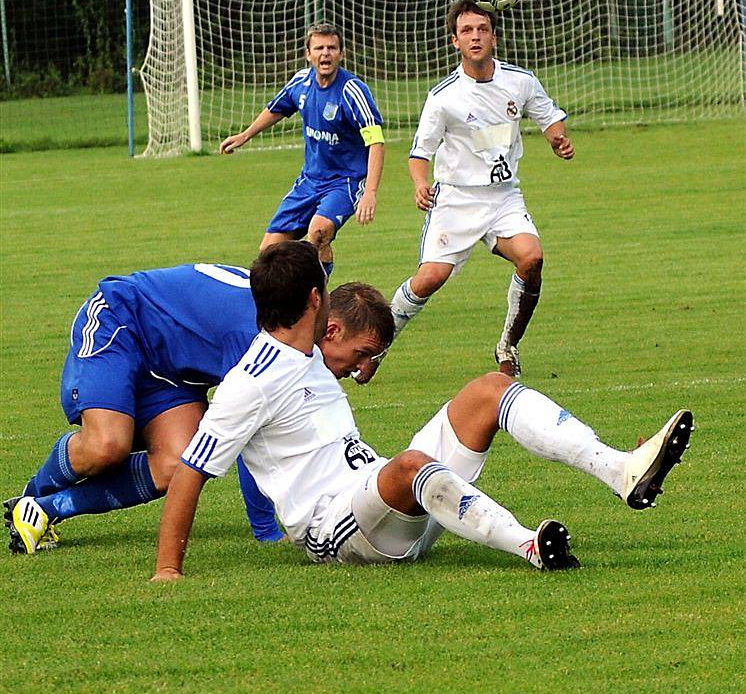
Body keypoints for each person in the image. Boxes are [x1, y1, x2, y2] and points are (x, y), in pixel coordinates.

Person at [150, 241, 693, 581]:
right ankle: (528, 544)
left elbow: (357, 332)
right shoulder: (250, 381)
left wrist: (366, 354)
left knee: (487, 389)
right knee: (409, 464)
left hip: (394, 506)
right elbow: (190, 472)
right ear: (316, 301)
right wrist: (168, 571)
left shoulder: (314, 354)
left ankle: (620, 469)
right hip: (337, 534)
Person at [4, 254, 394, 554]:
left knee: (176, 464)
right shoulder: (262, 337)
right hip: (121, 321)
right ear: (331, 328)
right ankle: (29, 495)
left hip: (173, 372)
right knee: (107, 445)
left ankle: (45, 509)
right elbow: (249, 432)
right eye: (362, 355)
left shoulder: (288, 327)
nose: (362, 370)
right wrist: (266, 532)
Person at [377, 0, 574, 382]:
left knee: (531, 258)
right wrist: (420, 185)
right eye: (467, 31)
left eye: (482, 29)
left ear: (494, 37)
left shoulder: (520, 81)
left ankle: (507, 347)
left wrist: (558, 140)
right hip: (456, 200)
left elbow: (550, 117)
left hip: (503, 198)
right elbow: (420, 153)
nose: (475, 36)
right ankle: (378, 345)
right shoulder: (444, 97)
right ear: (455, 41)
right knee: (429, 278)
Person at [219, 23, 385, 278]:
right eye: (319, 48)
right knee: (269, 253)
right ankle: (292, 302)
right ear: (308, 54)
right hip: (310, 180)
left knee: (318, 233)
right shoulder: (301, 81)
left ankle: (316, 298)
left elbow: (376, 141)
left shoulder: (353, 91)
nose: (325, 54)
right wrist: (245, 135)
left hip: (345, 181)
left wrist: (370, 192)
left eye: (332, 48)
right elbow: (277, 108)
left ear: (342, 54)